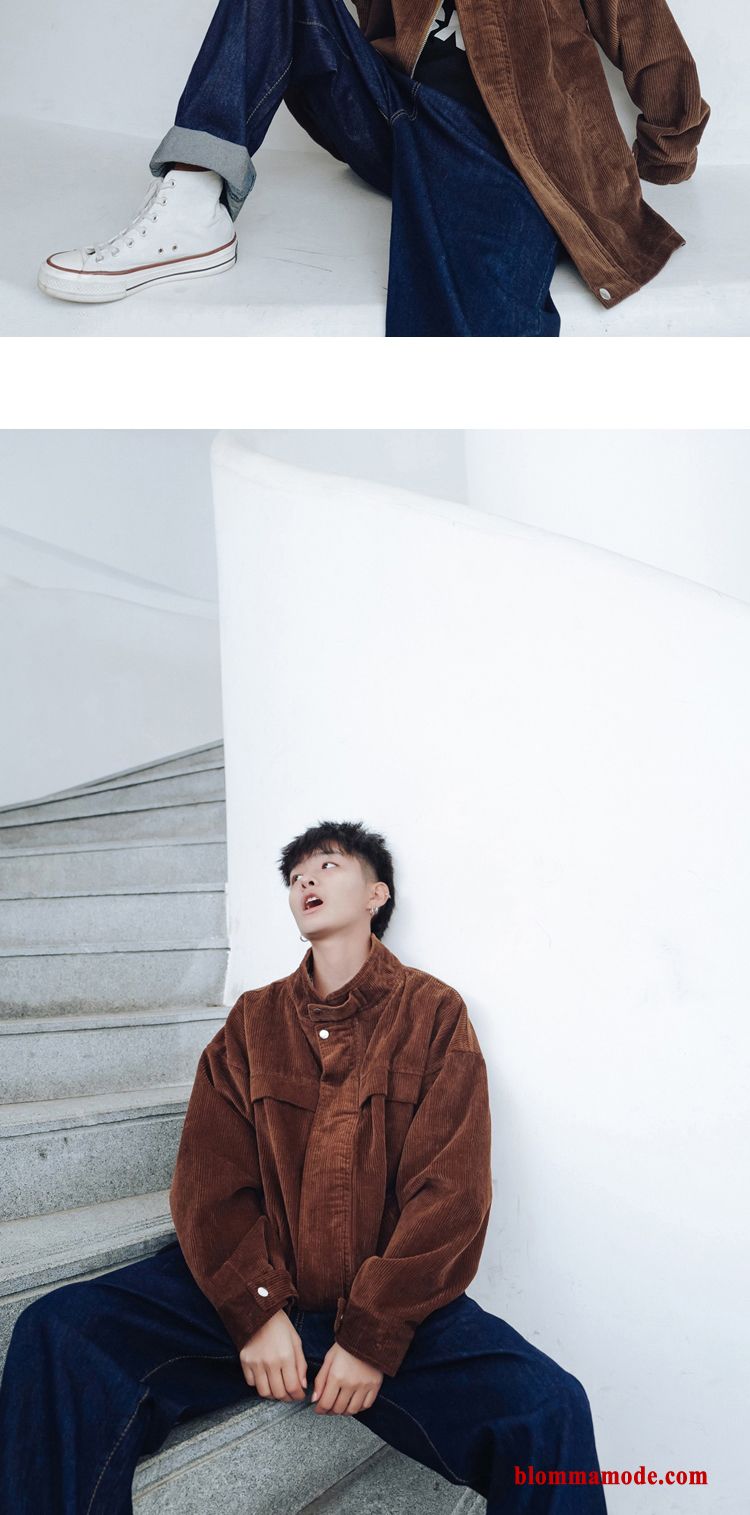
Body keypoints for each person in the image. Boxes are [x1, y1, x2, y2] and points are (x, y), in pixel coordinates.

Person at [0, 820, 608, 1511]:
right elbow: (208, 1181)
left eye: (328, 865)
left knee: (550, 1408)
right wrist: (255, 1310)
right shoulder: (253, 1021)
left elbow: (452, 1193)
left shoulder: (435, 1013)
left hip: (389, 1302)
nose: (306, 881)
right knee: (59, 1333)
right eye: (295, 877)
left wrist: (373, 1333)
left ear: (377, 894)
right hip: (261, 1290)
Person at [36, 0, 709, 336]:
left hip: (506, 147)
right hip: (394, 115)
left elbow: (646, 30)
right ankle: (190, 202)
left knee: (479, 328)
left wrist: (666, 151)